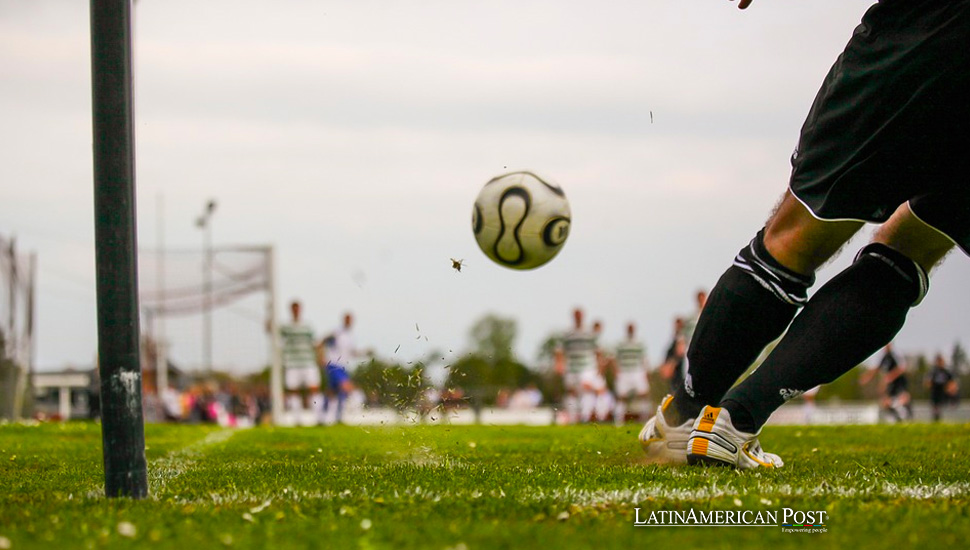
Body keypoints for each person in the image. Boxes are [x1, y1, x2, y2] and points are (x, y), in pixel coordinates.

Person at [642, 0, 970, 469]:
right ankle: (735, 421)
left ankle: (685, 417)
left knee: (794, 238)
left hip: (927, 29)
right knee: (913, 247)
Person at [554, 308, 601, 423]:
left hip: (587, 366)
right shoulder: (567, 333)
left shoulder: (589, 333)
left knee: (586, 388)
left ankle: (585, 417)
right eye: (576, 315)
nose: (578, 317)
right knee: (572, 391)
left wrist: (599, 367)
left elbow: (598, 350)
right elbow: (559, 350)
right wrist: (559, 363)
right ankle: (573, 418)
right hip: (571, 367)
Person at [280, 300, 323, 425]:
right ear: (291, 310)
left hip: (308, 362)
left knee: (314, 388)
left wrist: (320, 356)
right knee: (293, 391)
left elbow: (315, 343)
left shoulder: (307, 326)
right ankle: (297, 420)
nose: (296, 311)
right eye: (294, 308)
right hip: (292, 364)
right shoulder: (285, 327)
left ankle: (319, 418)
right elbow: (274, 335)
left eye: (297, 308)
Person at [859, 342, 912, 422]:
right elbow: (877, 368)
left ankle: (906, 417)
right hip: (891, 384)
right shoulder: (884, 357)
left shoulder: (896, 354)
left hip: (899, 381)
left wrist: (890, 377)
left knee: (903, 399)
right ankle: (898, 418)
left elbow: (902, 368)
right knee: (885, 403)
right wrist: (867, 377)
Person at [321, 312, 359, 424]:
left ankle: (328, 415)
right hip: (333, 364)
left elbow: (352, 352)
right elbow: (322, 341)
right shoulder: (337, 332)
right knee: (346, 387)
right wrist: (321, 356)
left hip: (343, 366)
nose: (348, 321)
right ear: (343, 320)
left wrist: (364, 353)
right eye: (347, 319)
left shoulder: (350, 336)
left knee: (332, 391)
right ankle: (338, 415)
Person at [613, 322, 650, 424]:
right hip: (624, 371)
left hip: (637, 371)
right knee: (621, 396)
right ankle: (618, 421)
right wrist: (616, 371)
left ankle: (644, 419)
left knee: (643, 394)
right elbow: (616, 358)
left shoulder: (639, 343)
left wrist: (646, 371)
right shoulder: (621, 343)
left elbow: (644, 358)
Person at [926, 353, 958, 422]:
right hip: (936, 391)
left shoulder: (947, 371)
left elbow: (953, 382)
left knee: (952, 392)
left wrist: (950, 389)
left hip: (945, 391)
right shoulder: (933, 371)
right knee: (936, 408)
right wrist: (930, 385)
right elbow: (928, 382)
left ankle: (953, 403)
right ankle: (936, 419)